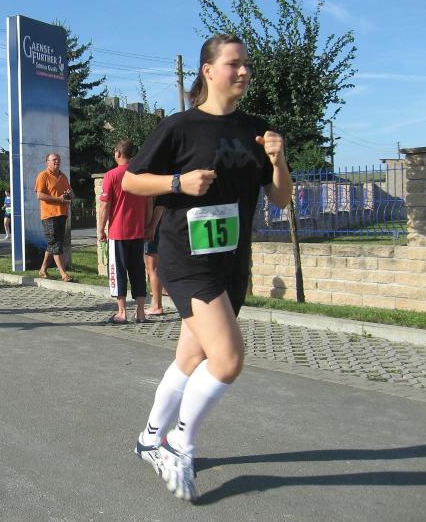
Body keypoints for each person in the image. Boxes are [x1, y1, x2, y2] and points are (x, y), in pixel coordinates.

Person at [122, 34, 292, 502]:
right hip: (186, 258)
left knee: (190, 359)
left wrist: (278, 158)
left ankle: (149, 438)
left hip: (232, 261)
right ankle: (179, 443)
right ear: (208, 70)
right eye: (234, 64)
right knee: (228, 359)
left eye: (246, 64)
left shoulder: (256, 131)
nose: (244, 72)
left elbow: (280, 198)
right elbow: (132, 181)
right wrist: (179, 182)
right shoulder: (179, 127)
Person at [97, 140, 150, 323]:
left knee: (117, 271)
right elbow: (149, 202)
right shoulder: (140, 175)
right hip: (138, 231)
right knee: (138, 270)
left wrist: (100, 229)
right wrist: (148, 225)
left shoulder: (111, 175)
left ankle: (122, 312)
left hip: (118, 232)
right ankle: (141, 312)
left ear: (117, 153)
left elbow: (105, 206)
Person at [34, 153, 73, 281]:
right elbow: (39, 195)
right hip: (49, 215)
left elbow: (71, 193)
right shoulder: (43, 175)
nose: (57, 161)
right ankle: (63, 273)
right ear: (48, 162)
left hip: (62, 214)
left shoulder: (63, 176)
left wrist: (69, 195)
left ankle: (42, 269)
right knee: (56, 244)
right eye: (54, 159)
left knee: (53, 244)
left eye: (58, 159)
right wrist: (58, 199)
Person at [143, 199, 166, 316]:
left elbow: (155, 204)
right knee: (155, 265)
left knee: (152, 267)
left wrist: (150, 226)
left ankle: (157, 305)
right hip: (158, 224)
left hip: (153, 225)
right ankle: (158, 299)